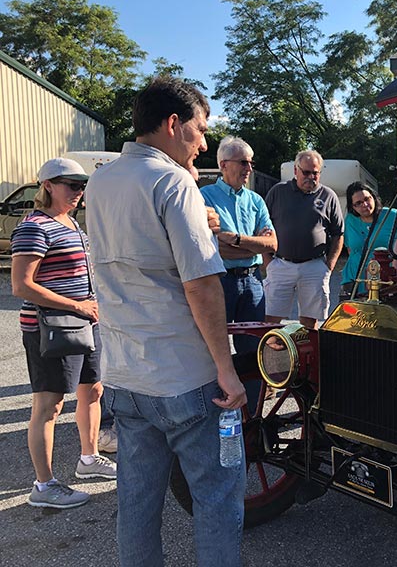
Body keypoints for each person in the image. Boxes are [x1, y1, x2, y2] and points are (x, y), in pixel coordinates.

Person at [85, 76, 246, 567]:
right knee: (217, 498)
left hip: (126, 375)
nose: (204, 144)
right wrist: (227, 368)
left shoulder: (101, 180)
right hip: (186, 375)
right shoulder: (172, 181)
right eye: (200, 130)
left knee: (136, 502)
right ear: (173, 124)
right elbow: (200, 283)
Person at [11, 158, 117, 510]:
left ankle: (89, 459)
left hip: (84, 323)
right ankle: (44, 484)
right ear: (48, 186)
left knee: (93, 391)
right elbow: (21, 285)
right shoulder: (34, 227)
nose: (78, 191)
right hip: (51, 329)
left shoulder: (70, 222)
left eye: (81, 185)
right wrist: (77, 306)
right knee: (50, 404)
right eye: (71, 185)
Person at [201, 135, 277, 354]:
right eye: (243, 162)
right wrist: (255, 244)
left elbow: (272, 244)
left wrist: (236, 239)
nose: (249, 168)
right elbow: (213, 248)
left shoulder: (256, 200)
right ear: (223, 165)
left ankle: (250, 390)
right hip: (220, 280)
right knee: (214, 347)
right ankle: (221, 389)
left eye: (251, 162)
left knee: (253, 350)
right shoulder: (204, 197)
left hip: (253, 281)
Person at [264, 150, 343, 329]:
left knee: (310, 321)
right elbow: (263, 228)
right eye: (306, 172)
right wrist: (268, 262)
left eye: (315, 173)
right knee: (271, 319)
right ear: (295, 170)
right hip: (281, 264)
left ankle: (308, 355)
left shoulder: (328, 195)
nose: (311, 177)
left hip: (314, 266)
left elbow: (338, 234)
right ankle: (272, 355)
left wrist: (329, 266)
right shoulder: (278, 191)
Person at [340, 181, 397, 299]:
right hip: (354, 280)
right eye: (358, 203)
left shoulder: (392, 215)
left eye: (367, 199)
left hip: (384, 280)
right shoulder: (350, 220)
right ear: (353, 207)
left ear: (374, 197)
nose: (364, 205)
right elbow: (350, 249)